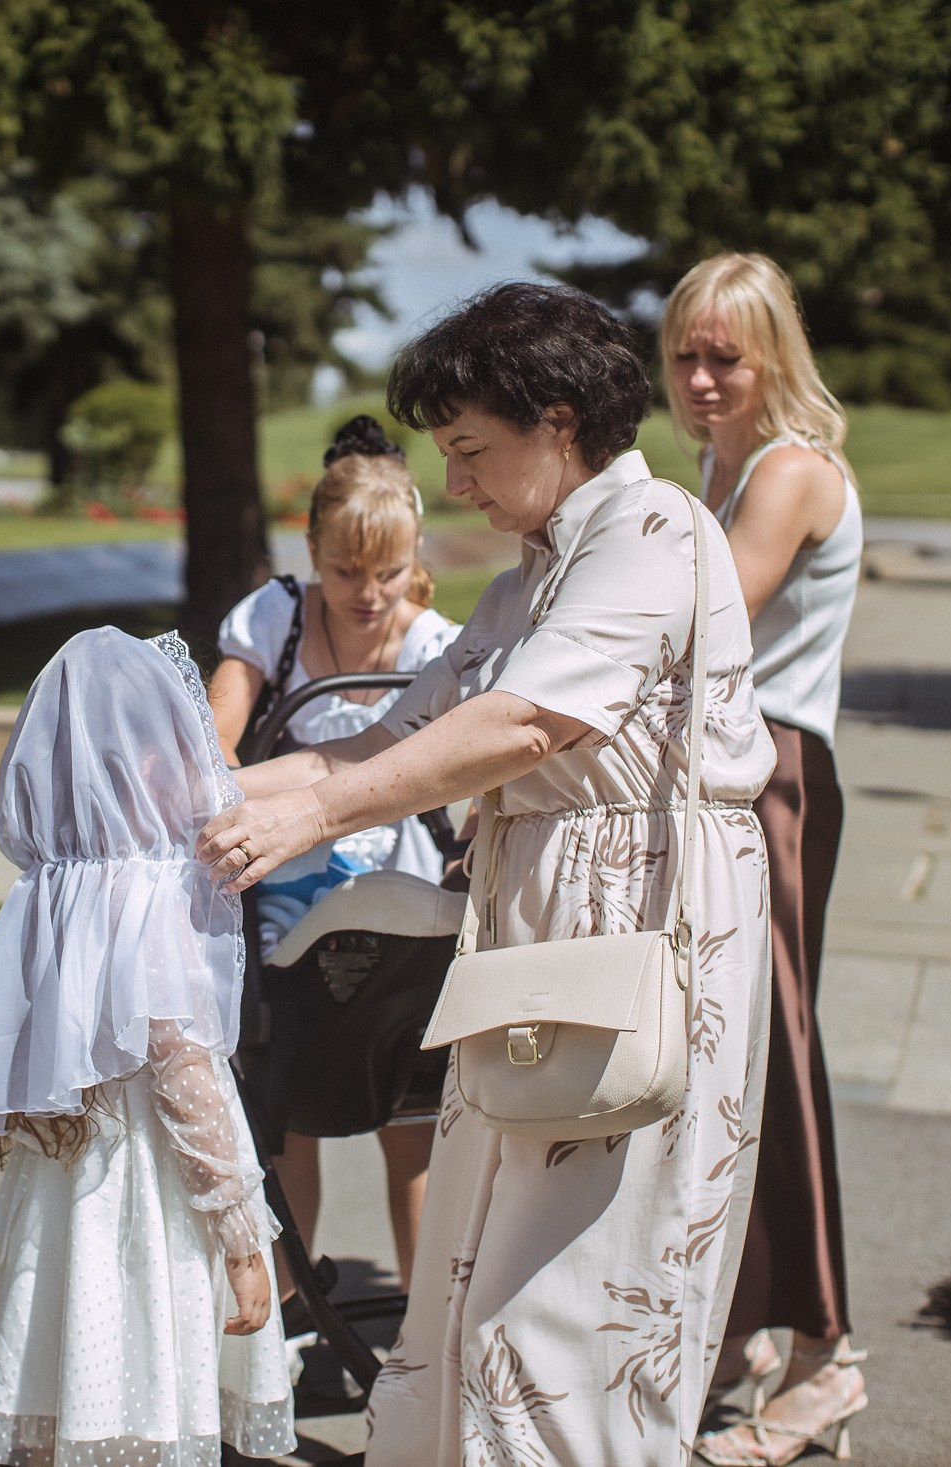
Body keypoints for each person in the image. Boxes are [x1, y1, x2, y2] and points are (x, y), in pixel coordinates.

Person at [196, 281, 777, 1467]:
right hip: (535, 939)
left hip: (640, 929)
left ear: (556, 419)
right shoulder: (524, 579)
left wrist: (312, 821)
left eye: (468, 451)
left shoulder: (655, 529)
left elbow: (521, 727)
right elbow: (381, 738)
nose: (454, 486)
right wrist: (189, 797)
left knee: (574, 1301)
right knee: (475, 1266)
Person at [0, 627, 294, 1467]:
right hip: (150, 1191)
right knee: (141, 1376)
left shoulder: (55, 888)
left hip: (62, 1185)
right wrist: (244, 1236)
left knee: (65, 1369)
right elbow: (184, 1079)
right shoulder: (151, 894)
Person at [663, 252, 866, 1466]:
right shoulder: (722, 462)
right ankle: (741, 1329)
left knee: (776, 1053)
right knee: (721, 1059)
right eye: (683, 355)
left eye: (723, 359)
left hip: (777, 773)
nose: (697, 378)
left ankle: (826, 1353)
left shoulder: (786, 473)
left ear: (772, 356)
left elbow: (704, 614)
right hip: (732, 771)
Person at [206, 413, 458, 1291]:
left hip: (396, 890)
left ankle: (422, 1325)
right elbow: (217, 743)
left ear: (413, 553)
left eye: (389, 572)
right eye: (345, 570)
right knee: (284, 1108)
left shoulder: (433, 643)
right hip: (289, 896)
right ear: (310, 548)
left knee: (411, 1113)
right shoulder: (274, 620)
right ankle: (285, 1305)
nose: (368, 593)